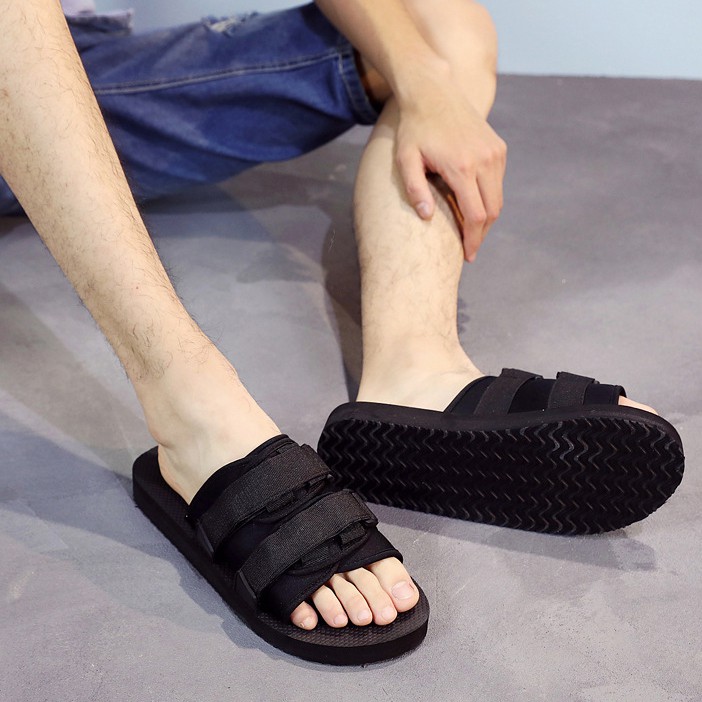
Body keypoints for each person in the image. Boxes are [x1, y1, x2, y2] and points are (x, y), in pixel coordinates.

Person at [0, 0, 683, 664]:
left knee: (443, 23)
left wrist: (425, 86)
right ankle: (192, 409)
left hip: (89, 61)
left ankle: (418, 368)